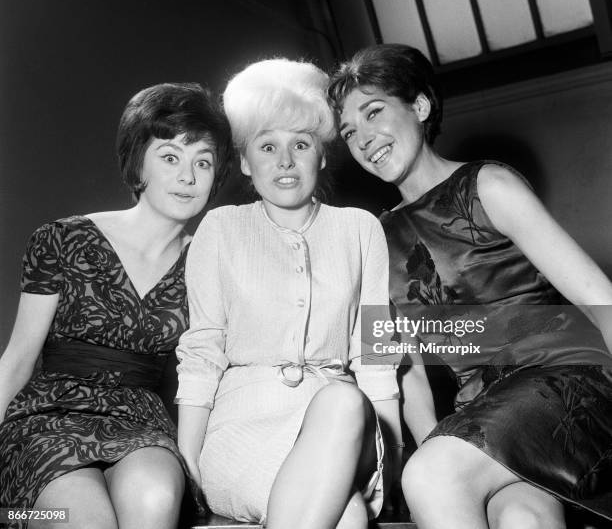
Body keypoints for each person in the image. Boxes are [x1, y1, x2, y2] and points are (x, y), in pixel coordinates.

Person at [328, 43, 612, 529]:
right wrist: (429, 447)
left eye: (374, 112)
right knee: (523, 517)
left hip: (567, 382)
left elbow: (600, 299)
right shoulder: (371, 238)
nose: (364, 139)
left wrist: (433, 469)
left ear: (420, 107)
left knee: (434, 475)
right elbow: (404, 367)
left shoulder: (489, 185)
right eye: (350, 132)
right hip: (483, 412)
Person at [175, 58, 403, 529]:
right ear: (243, 160)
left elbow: (375, 354)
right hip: (241, 430)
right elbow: (202, 351)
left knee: (343, 401)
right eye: (267, 146)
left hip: (342, 425)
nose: (284, 161)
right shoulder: (220, 228)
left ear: (321, 155)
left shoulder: (360, 230)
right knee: (349, 516)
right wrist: (187, 461)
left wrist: (392, 459)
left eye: (300, 144)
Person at [0, 82, 232, 529]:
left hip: (140, 421)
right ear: (138, 163)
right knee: (79, 520)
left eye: (202, 162)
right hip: (47, 419)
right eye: (170, 157)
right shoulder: (62, 238)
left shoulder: (207, 263)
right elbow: (18, 358)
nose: (188, 176)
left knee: (156, 499)